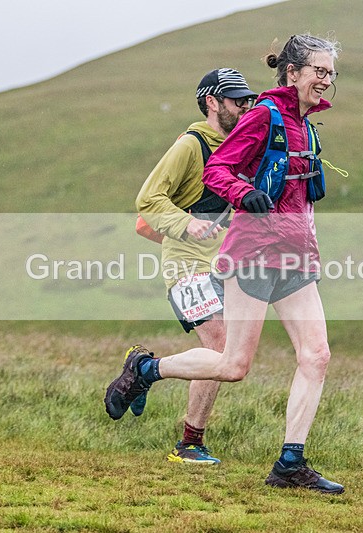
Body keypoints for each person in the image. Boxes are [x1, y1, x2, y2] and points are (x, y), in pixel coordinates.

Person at [105, 34, 344, 494]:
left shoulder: (308, 127)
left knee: (317, 355)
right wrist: (241, 193)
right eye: (319, 70)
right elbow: (219, 171)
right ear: (292, 73)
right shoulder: (263, 116)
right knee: (232, 364)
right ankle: (147, 371)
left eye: (331, 73)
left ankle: (289, 465)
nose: (326, 80)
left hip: (295, 257)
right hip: (253, 254)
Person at [105, 68, 258, 465]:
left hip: (228, 263)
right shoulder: (190, 145)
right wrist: (186, 224)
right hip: (186, 263)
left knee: (228, 356)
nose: (245, 105)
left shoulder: (245, 148)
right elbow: (148, 200)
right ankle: (188, 439)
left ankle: (152, 382)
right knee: (221, 346)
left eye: (247, 99)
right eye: (236, 99)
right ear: (211, 102)